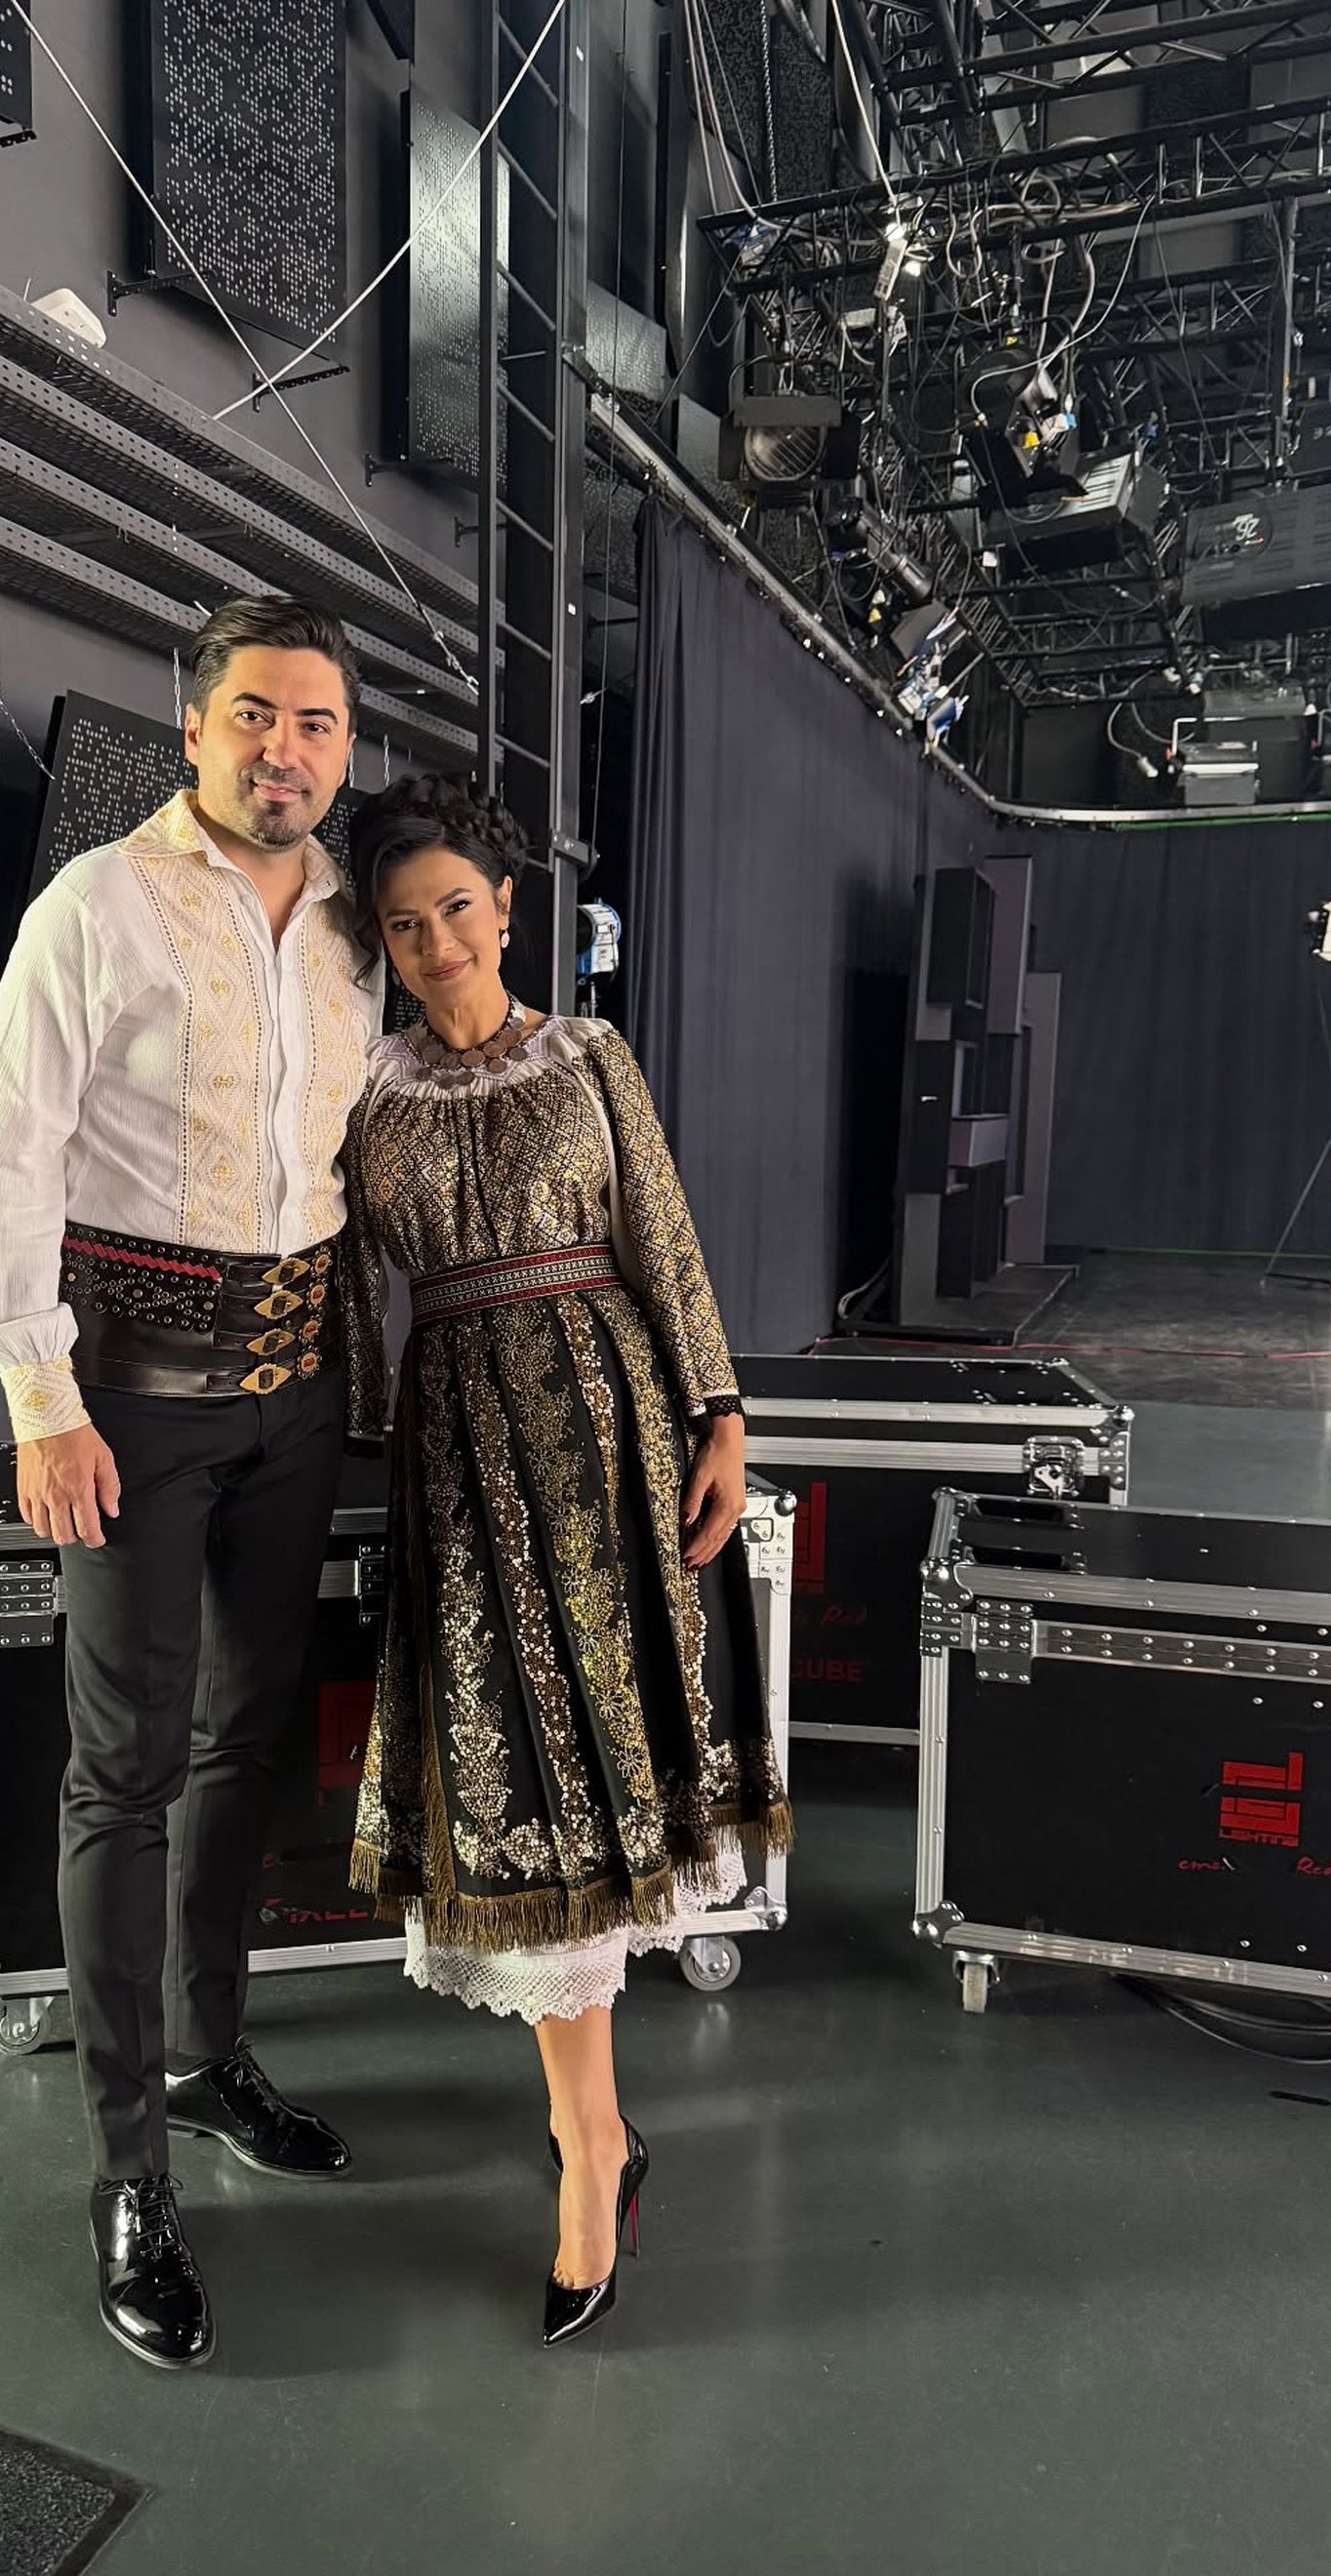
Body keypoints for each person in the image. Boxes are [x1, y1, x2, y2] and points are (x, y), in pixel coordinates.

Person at [0, 595, 381, 2373]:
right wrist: (41, 1401)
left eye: (318, 723)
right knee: (121, 1772)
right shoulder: (97, 906)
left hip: (300, 1400)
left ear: (345, 749)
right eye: (257, 715)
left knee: (242, 1741)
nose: (287, 750)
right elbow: (7, 1155)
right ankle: (129, 2174)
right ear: (194, 729)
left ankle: (208, 2056)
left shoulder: (354, 927)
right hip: (125, 1403)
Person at [340, 771, 791, 2348]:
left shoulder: (592, 1055)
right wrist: (347, 1439)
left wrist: (721, 1412)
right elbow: (344, 1289)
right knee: (520, 1782)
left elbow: (661, 1233)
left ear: (510, 907)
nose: (437, 943)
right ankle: (590, 2133)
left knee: (600, 1773)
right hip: (457, 1454)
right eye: (405, 923)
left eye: (458, 908)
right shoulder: (363, 1091)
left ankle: (590, 2150)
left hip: (612, 1433)